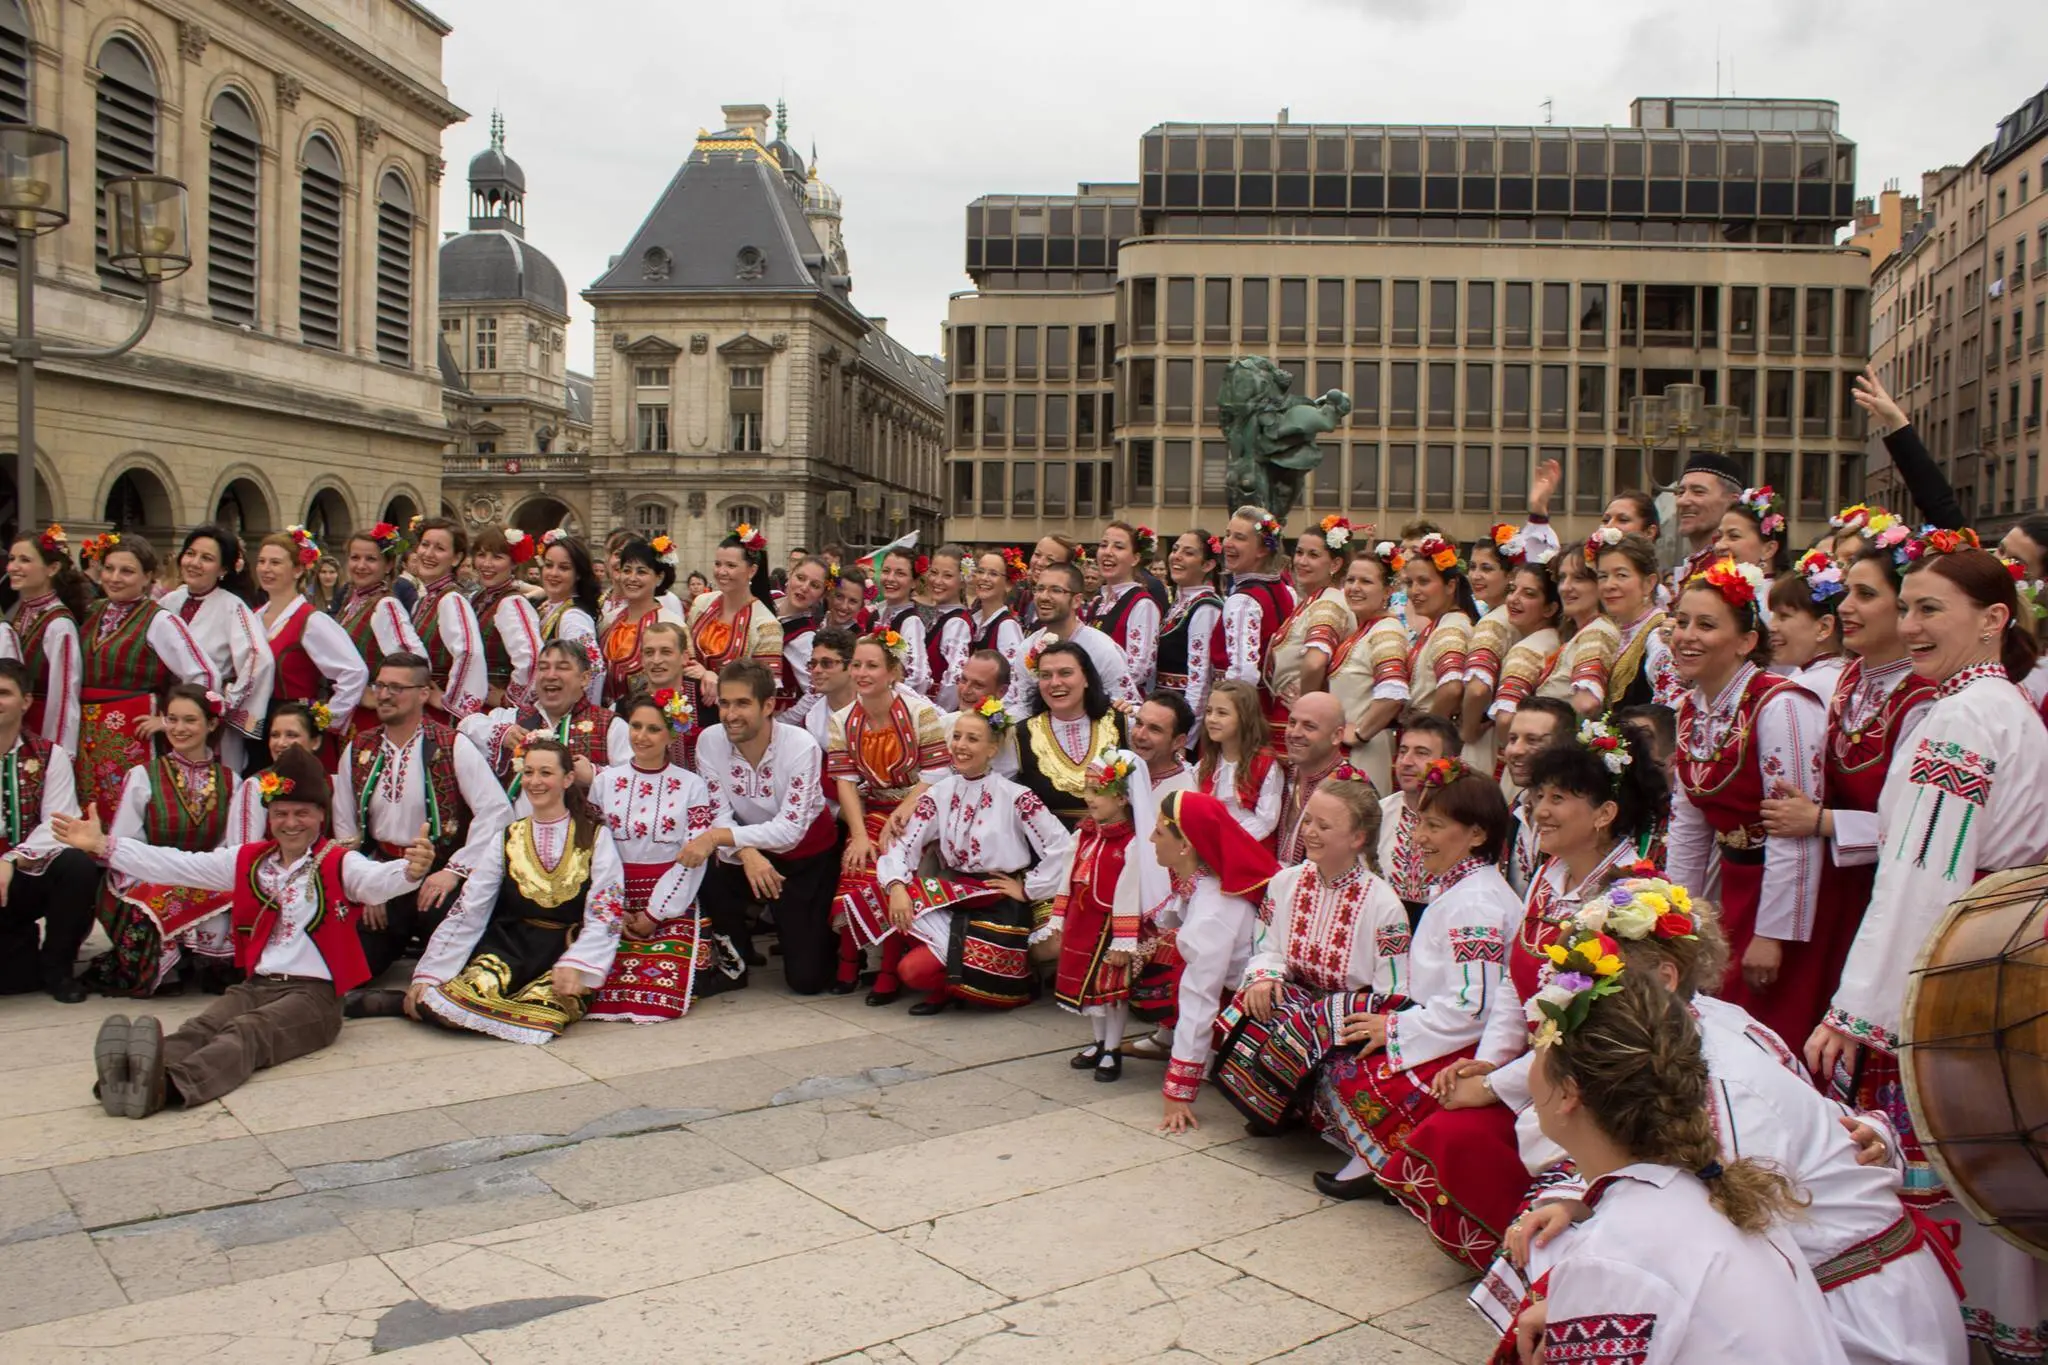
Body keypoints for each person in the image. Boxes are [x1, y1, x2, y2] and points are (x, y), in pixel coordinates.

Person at [1478, 887, 1967, 1365]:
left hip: (1863, 1313)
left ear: (1664, 977)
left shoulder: (1720, 1074)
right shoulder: (1699, 1033)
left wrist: (1586, 1297)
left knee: (1562, 1255)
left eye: (1599, 976)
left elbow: (1710, 1228)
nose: (1583, 996)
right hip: (1804, 1287)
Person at [1810, 545, 2048, 1360]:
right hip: (1996, 962)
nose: (1910, 625)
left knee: (1953, 1160)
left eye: (1930, 609)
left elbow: (1923, 873)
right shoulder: (2001, 706)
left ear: (1992, 619)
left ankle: (1945, 1334)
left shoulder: (1962, 718)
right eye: (1905, 608)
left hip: (1953, 973)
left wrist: (1858, 1012)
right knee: (1994, 1155)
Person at [1394, 722, 1669, 1269]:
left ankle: (1548, 1265)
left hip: (1590, 1083)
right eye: (1539, 796)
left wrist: (1495, 1085)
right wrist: (1489, 1061)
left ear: (1604, 813)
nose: (1540, 810)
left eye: (1559, 799)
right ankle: (1512, 1255)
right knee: (1446, 1127)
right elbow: (1513, 982)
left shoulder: (1628, 898)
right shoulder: (1550, 875)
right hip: (1534, 1068)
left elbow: (1585, 1029)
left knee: (1465, 1129)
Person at [1504, 965, 1851, 1365]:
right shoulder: (1714, 1190)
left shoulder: (1615, 1250)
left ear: (1568, 1094)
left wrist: (1591, 1302)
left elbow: (1636, 1273)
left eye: (1539, 1049)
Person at [62, 747, 434, 1117]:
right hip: (256, 985)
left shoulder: (340, 862)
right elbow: (177, 864)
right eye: (281, 813)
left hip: (315, 998)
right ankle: (130, 1077)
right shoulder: (249, 860)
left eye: (302, 813)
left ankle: (168, 1087)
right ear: (269, 817)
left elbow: (375, 881)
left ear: (321, 815)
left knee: (248, 1031)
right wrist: (105, 845)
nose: (291, 823)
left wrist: (410, 871)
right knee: (202, 1026)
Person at [1757, 531, 1934, 1046]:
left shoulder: (1924, 698)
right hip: (1835, 887)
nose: (1846, 607)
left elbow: (1924, 828)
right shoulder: (1851, 679)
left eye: (1866, 594)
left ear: (1904, 609)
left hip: (1887, 891)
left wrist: (1823, 821)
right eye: (1847, 592)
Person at [1315, 760, 1518, 1201]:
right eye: (1420, 823)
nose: (1419, 837)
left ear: (1476, 835)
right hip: (1441, 1023)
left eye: (1434, 826)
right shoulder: (1461, 889)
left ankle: (1384, 1162)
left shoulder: (1476, 905)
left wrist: (1394, 1028)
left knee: (1347, 1067)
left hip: (1466, 1042)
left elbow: (1475, 1007)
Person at [364, 738, 626, 1044]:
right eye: (528, 772)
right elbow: (470, 908)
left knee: (542, 1019)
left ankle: (408, 1006)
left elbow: (606, 912)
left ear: (568, 779)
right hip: (508, 949)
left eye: (545, 773)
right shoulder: (508, 836)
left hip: (562, 951)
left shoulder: (595, 836)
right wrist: (430, 972)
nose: (535, 782)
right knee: (441, 1004)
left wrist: (578, 963)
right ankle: (413, 1004)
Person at [1666, 558, 1826, 1044]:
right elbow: (1689, 828)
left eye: (1706, 625)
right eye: (1681, 622)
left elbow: (1792, 827)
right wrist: (1677, 920)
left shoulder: (1780, 705)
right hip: (1733, 885)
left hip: (1784, 890)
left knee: (1768, 1026)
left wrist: (1773, 933)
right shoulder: (1692, 709)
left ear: (1746, 641)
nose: (1686, 636)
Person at [1211, 770, 1404, 1138]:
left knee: (1304, 1022)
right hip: (1299, 998)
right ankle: (1273, 1102)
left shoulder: (1384, 905)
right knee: (1265, 1002)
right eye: (1309, 820)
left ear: (1357, 838)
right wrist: (1265, 977)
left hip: (1347, 1013)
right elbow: (1267, 945)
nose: (1310, 832)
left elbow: (1392, 989)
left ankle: (1304, 1106)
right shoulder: (1286, 882)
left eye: (1324, 826)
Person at [873, 700, 1074, 1015]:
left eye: (972, 739)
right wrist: (896, 885)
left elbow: (1062, 846)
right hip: (955, 895)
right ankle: (952, 982)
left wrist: (1028, 889)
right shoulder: (939, 793)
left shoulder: (1016, 796)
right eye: (957, 737)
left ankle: (993, 979)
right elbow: (904, 843)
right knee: (907, 958)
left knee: (919, 971)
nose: (960, 746)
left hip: (998, 901)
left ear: (992, 749)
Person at [333, 653, 514, 986]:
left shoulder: (451, 744)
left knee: (458, 975)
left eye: (396, 688)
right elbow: (345, 828)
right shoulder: (359, 748)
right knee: (350, 973)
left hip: (436, 879)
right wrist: (365, 885)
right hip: (384, 874)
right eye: (380, 686)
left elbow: (496, 811)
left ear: (423, 693)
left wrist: (454, 872)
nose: (384, 695)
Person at [684, 660, 843, 995]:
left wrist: (719, 837)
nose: (730, 714)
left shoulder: (800, 745)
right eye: (725, 703)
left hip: (805, 857)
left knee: (807, 980)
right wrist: (747, 852)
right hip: (746, 851)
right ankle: (734, 962)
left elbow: (789, 831)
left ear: (768, 705)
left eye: (742, 703)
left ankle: (809, 933)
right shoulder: (709, 741)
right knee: (709, 873)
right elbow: (719, 813)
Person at [80, 683, 240, 997]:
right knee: (158, 900)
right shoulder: (143, 776)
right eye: (172, 719)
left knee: (233, 897)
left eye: (190, 720)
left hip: (205, 874)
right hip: (148, 874)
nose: (179, 728)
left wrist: (198, 876)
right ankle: (166, 968)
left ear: (211, 724)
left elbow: (228, 846)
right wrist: (164, 875)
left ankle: (211, 963)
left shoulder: (232, 781)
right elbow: (125, 843)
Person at [584, 694, 733, 1021]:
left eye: (653, 729)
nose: (641, 736)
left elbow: (693, 858)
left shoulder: (691, 785)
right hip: (615, 896)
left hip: (670, 900)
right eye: (636, 726)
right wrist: (615, 908)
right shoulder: (604, 782)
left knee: (662, 990)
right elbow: (593, 852)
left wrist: (655, 913)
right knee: (594, 985)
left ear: (671, 735)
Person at [828, 632, 952, 1002]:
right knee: (856, 862)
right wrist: (858, 834)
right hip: (874, 807)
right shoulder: (842, 720)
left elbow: (937, 772)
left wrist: (904, 810)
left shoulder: (919, 713)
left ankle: (888, 969)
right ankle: (849, 958)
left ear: (893, 672)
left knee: (895, 870)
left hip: (920, 806)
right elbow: (845, 781)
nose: (861, 673)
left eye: (872, 666)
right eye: (856, 665)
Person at [1150, 789, 1279, 1133]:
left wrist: (1177, 1090)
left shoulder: (1213, 909)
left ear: (1185, 846)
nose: (1151, 839)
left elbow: (1199, 1000)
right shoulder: (1206, 884)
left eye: (1159, 832)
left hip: (1267, 1008)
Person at [73, 535, 216, 824]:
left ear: (148, 576)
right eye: (109, 568)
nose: (114, 578)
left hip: (133, 732)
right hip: (87, 733)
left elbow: (203, 673)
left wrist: (169, 721)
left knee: (127, 805)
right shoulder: (93, 611)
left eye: (126, 571)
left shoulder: (159, 620)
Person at [0, 659, 98, 1003]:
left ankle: (59, 971)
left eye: (4, 693)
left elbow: (59, 822)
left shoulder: (49, 755)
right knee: (13, 980)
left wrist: (12, 860)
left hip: (24, 874)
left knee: (77, 865)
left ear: (26, 701)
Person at [1047, 749, 1149, 1079]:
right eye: (1087, 790)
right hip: (1083, 921)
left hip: (1109, 926)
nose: (1089, 798)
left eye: (1097, 792)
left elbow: (1130, 891)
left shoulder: (1131, 843)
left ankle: (1113, 1048)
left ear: (1121, 798)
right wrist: (1058, 916)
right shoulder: (1084, 834)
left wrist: (1124, 940)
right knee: (1088, 989)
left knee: (1110, 992)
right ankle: (1100, 1041)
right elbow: (1067, 876)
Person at [154, 524, 273, 771]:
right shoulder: (168, 601)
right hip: (166, 713)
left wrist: (223, 705)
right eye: (190, 554)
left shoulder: (231, 606)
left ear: (223, 569)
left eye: (206, 558)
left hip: (209, 721)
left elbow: (258, 659)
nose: (194, 563)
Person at [253, 530, 365, 769]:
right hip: (259, 727)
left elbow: (354, 672)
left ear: (297, 570)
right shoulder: (254, 617)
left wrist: (325, 719)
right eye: (261, 561)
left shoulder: (311, 620)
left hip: (296, 727)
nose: (265, 569)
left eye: (275, 563)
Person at [461, 641, 631, 797]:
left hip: (584, 821)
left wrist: (594, 776)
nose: (550, 675)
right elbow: (464, 728)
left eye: (562, 668)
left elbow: (635, 784)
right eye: (543, 668)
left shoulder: (610, 726)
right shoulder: (512, 719)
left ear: (584, 679)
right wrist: (502, 734)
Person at [683, 525, 783, 743]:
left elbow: (764, 689)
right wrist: (701, 672)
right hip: (687, 712)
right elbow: (684, 651)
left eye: (731, 565)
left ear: (752, 570)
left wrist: (718, 681)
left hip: (734, 723)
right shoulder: (701, 603)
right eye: (718, 564)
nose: (721, 572)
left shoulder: (766, 625)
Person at [1014, 641, 1128, 828]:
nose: (1055, 683)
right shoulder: (1020, 736)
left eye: (1065, 673)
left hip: (1117, 841)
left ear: (1086, 678)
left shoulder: (1121, 723)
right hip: (1051, 843)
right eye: (1045, 675)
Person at [1327, 540, 1408, 792]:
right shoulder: (1364, 630)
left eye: (1366, 581)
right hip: (1348, 751)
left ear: (1388, 591)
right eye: (1350, 580)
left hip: (1365, 753)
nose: (1354, 588)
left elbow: (1393, 694)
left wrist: (1360, 733)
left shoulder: (1386, 631)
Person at [1214, 506, 1296, 737]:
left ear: (1262, 549)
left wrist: (1226, 723)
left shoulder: (1243, 601)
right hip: (1271, 709)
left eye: (1239, 537)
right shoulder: (1286, 591)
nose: (1228, 543)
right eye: (1228, 534)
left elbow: (1243, 676)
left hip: (1244, 718)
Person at [336, 524, 426, 730]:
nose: (361, 565)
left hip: (374, 718)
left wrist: (378, 693)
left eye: (371, 559)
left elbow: (415, 660)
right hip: (353, 712)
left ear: (388, 565)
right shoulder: (353, 601)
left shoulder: (386, 605)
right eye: (355, 558)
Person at [1267, 518, 1356, 725]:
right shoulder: (1313, 600)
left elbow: (1315, 663)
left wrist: (1305, 707)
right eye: (1299, 553)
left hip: (1299, 716)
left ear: (1335, 564)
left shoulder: (1328, 604)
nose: (1301, 561)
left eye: (1313, 555)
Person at [1460, 527, 1533, 778]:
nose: (1476, 576)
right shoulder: (1516, 617)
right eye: (1472, 567)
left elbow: (1478, 689)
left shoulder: (1494, 623)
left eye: (1487, 568)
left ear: (1510, 575)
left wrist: (1467, 730)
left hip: (1487, 737)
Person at [6, 524, 84, 759]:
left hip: (41, 733)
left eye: (25, 560)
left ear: (52, 568)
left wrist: (56, 755)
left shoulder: (59, 624)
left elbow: (64, 696)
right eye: (12, 559)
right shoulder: (24, 613)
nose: (13, 567)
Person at [1378, 713, 1463, 920]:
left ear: (1449, 763)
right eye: (1403, 751)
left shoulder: (1464, 820)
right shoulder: (1378, 813)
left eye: (1421, 753)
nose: (1406, 762)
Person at [1014, 561, 1126, 714]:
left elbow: (1125, 705)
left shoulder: (1102, 648)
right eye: (1039, 589)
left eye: (1056, 590)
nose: (1044, 597)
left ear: (1076, 600)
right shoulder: (1027, 647)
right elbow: (1021, 704)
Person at [1485, 562, 1565, 774]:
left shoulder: (1526, 650)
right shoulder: (1557, 641)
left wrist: (1513, 747)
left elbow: (1505, 718)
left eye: (1529, 594)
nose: (1514, 599)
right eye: (1512, 589)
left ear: (1550, 608)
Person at [406, 517, 487, 723]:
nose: (428, 553)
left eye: (439, 548)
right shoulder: (425, 600)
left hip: (440, 717)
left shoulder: (451, 600)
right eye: (425, 545)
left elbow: (469, 653)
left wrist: (449, 702)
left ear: (456, 558)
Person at [1499, 697, 1576, 895]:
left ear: (1564, 747)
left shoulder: (1580, 819)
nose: (1516, 750)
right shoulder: (1512, 811)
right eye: (1512, 739)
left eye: (1533, 740)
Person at [1592, 531, 1676, 710]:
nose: (1609, 585)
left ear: (1648, 583)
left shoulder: (1659, 637)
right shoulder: (1613, 631)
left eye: (1621, 575)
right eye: (1603, 576)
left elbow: (1670, 706)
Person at [1194, 679, 1282, 848]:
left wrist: (1226, 840)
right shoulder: (1207, 763)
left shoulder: (1265, 765)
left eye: (1222, 713)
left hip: (1249, 847)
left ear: (1244, 718)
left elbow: (1266, 820)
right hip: (1210, 845)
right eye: (1209, 711)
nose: (1211, 719)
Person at [1401, 532, 1475, 726]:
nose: (1414, 591)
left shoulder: (1451, 626)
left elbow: (1452, 688)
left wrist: (1427, 730)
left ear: (1450, 586)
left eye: (1423, 582)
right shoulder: (1441, 624)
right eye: (1409, 583)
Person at [469, 527, 545, 711]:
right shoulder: (481, 598)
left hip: (497, 712)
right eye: (481, 555)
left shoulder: (512, 603)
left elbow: (531, 661)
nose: (487, 564)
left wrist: (507, 700)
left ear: (513, 563)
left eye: (497, 557)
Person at [602, 536, 682, 706]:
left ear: (659, 577)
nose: (632, 578)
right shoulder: (608, 620)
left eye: (641, 572)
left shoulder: (671, 623)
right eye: (627, 570)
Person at [1157, 530, 1224, 727]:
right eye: (1175, 549)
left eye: (1188, 552)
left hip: (1181, 714)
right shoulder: (1180, 603)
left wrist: (1187, 732)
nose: (1176, 556)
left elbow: (1200, 679)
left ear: (1207, 565)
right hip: (1166, 708)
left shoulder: (1205, 608)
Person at [1090, 522, 1162, 705]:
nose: (1108, 552)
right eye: (1103, 545)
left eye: (1119, 547)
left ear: (1135, 558)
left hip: (1121, 704)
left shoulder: (1142, 604)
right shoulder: (1098, 602)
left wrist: (1089, 682)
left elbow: (1139, 669)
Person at [1276, 691, 1350, 864]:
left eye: (1309, 726)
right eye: (1292, 723)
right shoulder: (1281, 773)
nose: (1295, 733)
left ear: (1337, 736)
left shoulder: (1351, 790)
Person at [1547, 544, 1620, 717]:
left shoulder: (1596, 632)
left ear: (1600, 584)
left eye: (1578, 578)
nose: (1565, 587)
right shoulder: (1587, 630)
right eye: (1562, 578)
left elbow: (1587, 703)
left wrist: (1557, 730)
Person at [1766, 549, 1849, 702]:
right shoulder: (1851, 677)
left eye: (1784, 616)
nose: (1771, 627)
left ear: (1823, 627)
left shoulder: (1798, 692)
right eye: (1773, 616)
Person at [534, 531, 604, 709]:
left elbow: (595, 669)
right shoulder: (554, 607)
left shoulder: (572, 618)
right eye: (549, 565)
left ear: (578, 574)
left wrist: (580, 713)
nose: (553, 573)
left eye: (564, 568)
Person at [1669, 449, 1748, 596]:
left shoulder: (1737, 573)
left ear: (1732, 501)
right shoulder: (1691, 565)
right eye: (1680, 492)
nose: (1683, 501)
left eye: (1698, 492)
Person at [871, 545, 933, 698]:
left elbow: (918, 676)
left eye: (900, 573)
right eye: (886, 571)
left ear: (914, 582)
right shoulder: (879, 614)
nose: (890, 578)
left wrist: (888, 697)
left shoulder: (910, 621)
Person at [776, 554, 831, 720]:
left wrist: (783, 722)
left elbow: (817, 691)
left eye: (815, 585)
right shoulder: (770, 598)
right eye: (800, 578)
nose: (805, 587)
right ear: (790, 575)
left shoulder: (805, 638)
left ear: (821, 595)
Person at [922, 544, 975, 711]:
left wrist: (939, 714)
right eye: (934, 572)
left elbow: (956, 676)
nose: (937, 581)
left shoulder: (956, 623)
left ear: (962, 581)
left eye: (947, 575)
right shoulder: (941, 616)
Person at [967, 551, 1026, 701]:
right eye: (981, 571)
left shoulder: (1006, 626)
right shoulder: (973, 620)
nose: (984, 578)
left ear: (1008, 584)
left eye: (993, 574)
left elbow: (1015, 681)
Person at [1128, 689, 1196, 798]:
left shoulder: (1186, 795)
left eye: (1154, 729)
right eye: (1139, 723)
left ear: (1178, 742)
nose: (1140, 735)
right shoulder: (1117, 768)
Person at [1718, 484, 1793, 581]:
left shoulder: (1783, 590)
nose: (1719, 546)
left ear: (1769, 549)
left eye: (1734, 536)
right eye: (1719, 536)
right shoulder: (1708, 586)